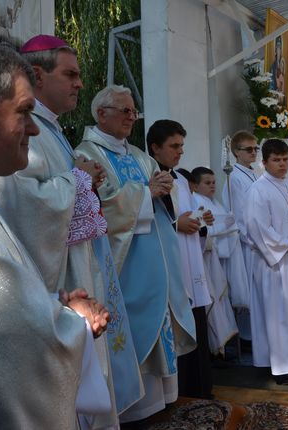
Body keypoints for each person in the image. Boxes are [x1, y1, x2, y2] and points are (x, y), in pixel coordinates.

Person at [0, 38, 109, 429]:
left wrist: (46, 301)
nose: (33, 128)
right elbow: (13, 352)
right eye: (24, 112)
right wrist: (74, 321)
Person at [0, 34, 118, 429]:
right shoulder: (31, 131)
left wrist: (79, 182)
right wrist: (77, 182)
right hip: (58, 276)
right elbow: (20, 200)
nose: (80, 83)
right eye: (71, 74)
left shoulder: (52, 129)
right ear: (37, 76)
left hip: (73, 264)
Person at [75, 86, 197, 420]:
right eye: (124, 111)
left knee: (159, 331)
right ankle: (134, 410)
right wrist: (145, 193)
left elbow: (159, 198)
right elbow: (100, 209)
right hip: (125, 267)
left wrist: (163, 188)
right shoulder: (87, 155)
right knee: (132, 332)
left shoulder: (139, 156)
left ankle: (161, 402)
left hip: (156, 262)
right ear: (102, 113)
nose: (131, 117)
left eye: (134, 112)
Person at [147, 120, 215, 400]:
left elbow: (185, 215)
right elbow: (146, 221)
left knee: (197, 323)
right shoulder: (150, 178)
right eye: (174, 146)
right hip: (171, 267)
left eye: (181, 146)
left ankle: (201, 390)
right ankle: (183, 393)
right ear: (155, 147)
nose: (180, 152)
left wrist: (201, 221)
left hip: (190, 260)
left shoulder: (179, 180)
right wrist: (177, 223)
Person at [245, 138, 288, 386]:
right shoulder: (258, 189)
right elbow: (256, 227)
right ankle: (282, 367)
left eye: (285, 159)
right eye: (276, 160)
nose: (282, 164)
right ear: (264, 162)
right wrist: (286, 244)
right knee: (277, 313)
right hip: (272, 263)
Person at [191, 166, 240, 355]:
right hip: (207, 259)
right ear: (195, 185)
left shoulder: (214, 202)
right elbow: (204, 232)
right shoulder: (196, 202)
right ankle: (215, 347)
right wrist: (223, 226)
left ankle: (222, 346)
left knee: (221, 302)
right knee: (213, 303)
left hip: (219, 259)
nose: (212, 186)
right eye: (207, 183)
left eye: (213, 183)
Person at [222, 130, 259, 350]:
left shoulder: (253, 173)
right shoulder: (234, 177)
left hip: (257, 239)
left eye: (256, 148)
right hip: (248, 242)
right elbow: (237, 213)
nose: (253, 152)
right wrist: (251, 239)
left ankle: (254, 332)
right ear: (236, 152)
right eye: (249, 149)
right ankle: (246, 336)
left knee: (255, 289)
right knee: (248, 289)